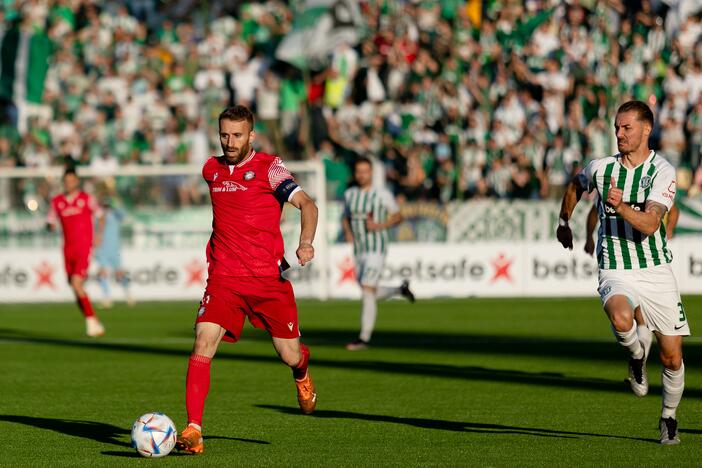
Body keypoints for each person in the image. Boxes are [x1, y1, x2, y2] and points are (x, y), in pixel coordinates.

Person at [176, 105, 319, 454]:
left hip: (267, 281)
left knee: (288, 354)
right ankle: (194, 430)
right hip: (224, 278)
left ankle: (301, 371)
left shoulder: (270, 169)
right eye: (224, 134)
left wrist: (304, 243)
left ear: (251, 135)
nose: (229, 141)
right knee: (202, 343)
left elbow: (308, 205)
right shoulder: (211, 169)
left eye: (237, 135)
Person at [557, 100, 690, 445]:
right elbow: (575, 185)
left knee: (673, 357)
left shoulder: (662, 171)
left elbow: (649, 223)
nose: (619, 133)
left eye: (626, 127)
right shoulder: (601, 167)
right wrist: (563, 221)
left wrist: (619, 206)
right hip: (616, 265)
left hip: (656, 269)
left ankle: (669, 417)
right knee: (620, 318)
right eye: (617, 127)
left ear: (647, 129)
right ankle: (635, 356)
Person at [342, 157, 415, 351]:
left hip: (377, 248)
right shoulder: (350, 194)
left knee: (367, 289)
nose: (362, 174)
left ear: (371, 173)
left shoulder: (382, 194)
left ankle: (363, 338)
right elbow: (346, 217)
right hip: (359, 249)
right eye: (359, 171)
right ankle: (399, 290)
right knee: (369, 290)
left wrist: (380, 225)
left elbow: (398, 216)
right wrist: (349, 233)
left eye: (365, 171)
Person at [47, 168, 106, 337]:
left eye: (72, 180)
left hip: (84, 247)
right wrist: (50, 226)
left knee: (76, 283)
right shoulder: (57, 201)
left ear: (77, 182)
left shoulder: (86, 199)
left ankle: (91, 321)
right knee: (74, 287)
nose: (69, 184)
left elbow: (101, 216)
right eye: (66, 181)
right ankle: (93, 321)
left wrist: (99, 235)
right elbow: (50, 220)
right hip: (67, 248)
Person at [94, 198, 134, 308]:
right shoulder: (97, 217)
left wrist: (116, 203)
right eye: (104, 206)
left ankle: (128, 294)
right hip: (102, 248)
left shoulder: (115, 216)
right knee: (102, 272)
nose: (105, 208)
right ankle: (107, 298)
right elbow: (94, 231)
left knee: (119, 273)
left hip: (114, 249)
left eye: (107, 206)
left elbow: (124, 215)